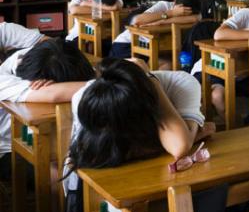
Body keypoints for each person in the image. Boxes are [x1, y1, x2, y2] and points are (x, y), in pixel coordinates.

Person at [66, 58, 209, 175]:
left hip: (155, 177)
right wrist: (192, 136)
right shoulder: (91, 98)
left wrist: (152, 83)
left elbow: (179, 146)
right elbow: (93, 156)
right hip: (95, 181)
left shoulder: (182, 84)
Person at [0, 40, 95, 175]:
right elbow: (54, 94)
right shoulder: (5, 80)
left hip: (43, 137)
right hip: (8, 149)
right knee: (58, 175)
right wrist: (115, 81)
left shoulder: (59, 60)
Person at [109, 0, 201, 60]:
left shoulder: (194, 12)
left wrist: (163, 22)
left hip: (153, 48)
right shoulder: (163, 5)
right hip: (126, 45)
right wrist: (171, 13)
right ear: (174, 1)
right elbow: (138, 20)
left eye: (186, 13)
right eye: (181, 11)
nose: (183, 15)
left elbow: (196, 18)